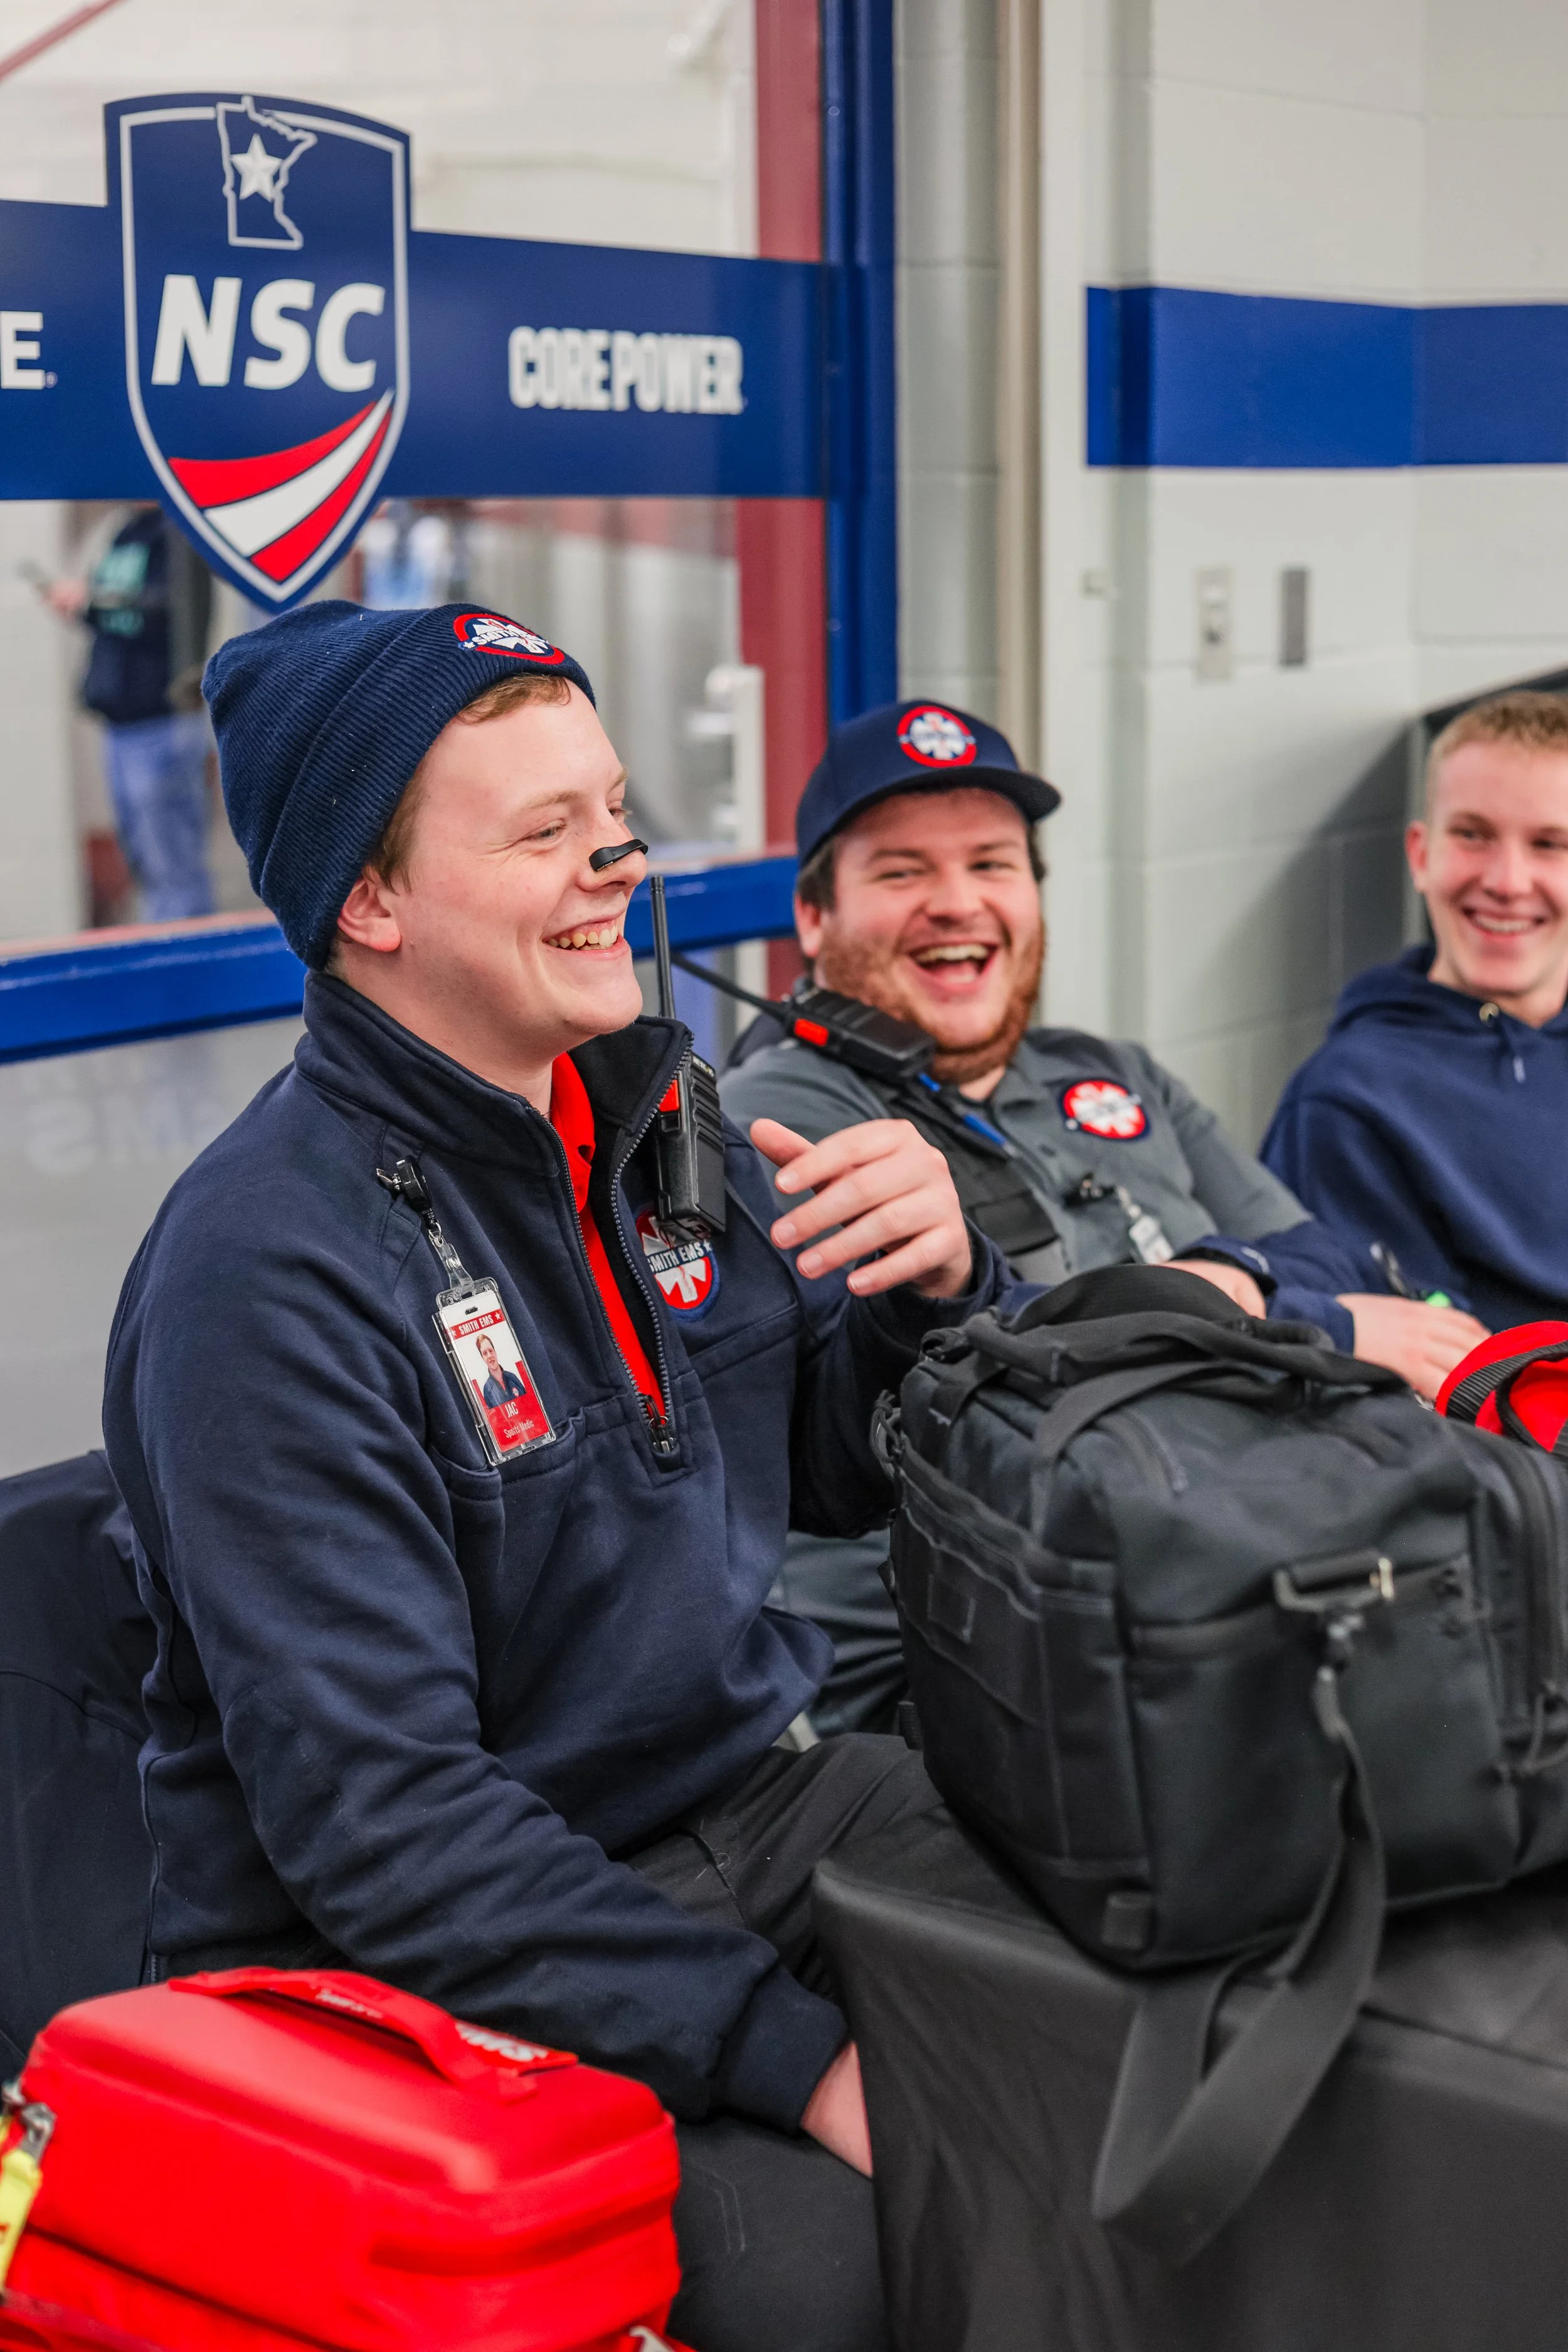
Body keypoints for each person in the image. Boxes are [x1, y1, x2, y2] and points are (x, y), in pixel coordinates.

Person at [103, 603, 1012, 2352]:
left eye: (610, 810)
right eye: (541, 833)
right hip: (405, 1954)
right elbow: (391, 1831)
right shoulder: (264, 1270)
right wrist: (798, 2057)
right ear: (368, 902)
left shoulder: (645, 1120)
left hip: (754, 1804)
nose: (615, 862)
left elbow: (814, 1471)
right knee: (862, 2269)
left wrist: (928, 1294)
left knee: (1142, 1976)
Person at [718, 699, 1487, 1734]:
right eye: (901, 873)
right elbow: (1000, 1374)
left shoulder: (1110, 1072)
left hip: (1224, 1568)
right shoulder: (781, 1119)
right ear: (814, 919)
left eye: (993, 864)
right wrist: (1286, 1313)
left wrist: (1243, 1292)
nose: (958, 903)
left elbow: (1326, 1250)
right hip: (978, 1667)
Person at [1264, 689, 1568, 1334]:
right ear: (1420, 855)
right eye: (1472, 835)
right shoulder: (1348, 1100)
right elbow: (1427, 1383)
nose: (1508, 881)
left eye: (1550, 844)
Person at [48, 504, 217, 923]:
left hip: (162, 721)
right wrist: (85, 607)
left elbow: (172, 611)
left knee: (173, 867)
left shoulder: (178, 532)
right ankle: (168, 957)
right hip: (120, 725)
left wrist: (95, 599)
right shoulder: (125, 532)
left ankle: (184, 971)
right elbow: (120, 619)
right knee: (146, 864)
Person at [476, 1330, 526, 1407]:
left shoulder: (512, 1377)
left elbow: (530, 1402)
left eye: (490, 1351)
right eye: (485, 1353)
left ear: (495, 1352)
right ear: (483, 1358)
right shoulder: (487, 1390)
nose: (490, 1356)